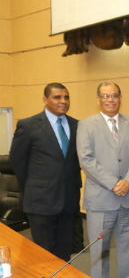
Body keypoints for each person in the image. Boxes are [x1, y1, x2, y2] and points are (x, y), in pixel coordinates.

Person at [77, 82, 129, 278]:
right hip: (101, 198)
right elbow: (86, 160)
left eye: (114, 95)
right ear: (98, 99)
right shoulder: (86, 125)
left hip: (128, 196)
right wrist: (114, 183)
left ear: (120, 97)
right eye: (105, 96)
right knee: (100, 247)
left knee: (127, 244)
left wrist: (128, 182)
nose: (110, 99)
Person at [9, 82, 81, 261]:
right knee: (43, 255)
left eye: (66, 97)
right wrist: (36, 187)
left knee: (64, 253)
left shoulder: (77, 125)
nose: (63, 101)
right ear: (45, 99)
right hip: (41, 202)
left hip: (68, 201)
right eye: (57, 97)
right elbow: (17, 161)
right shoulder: (29, 125)